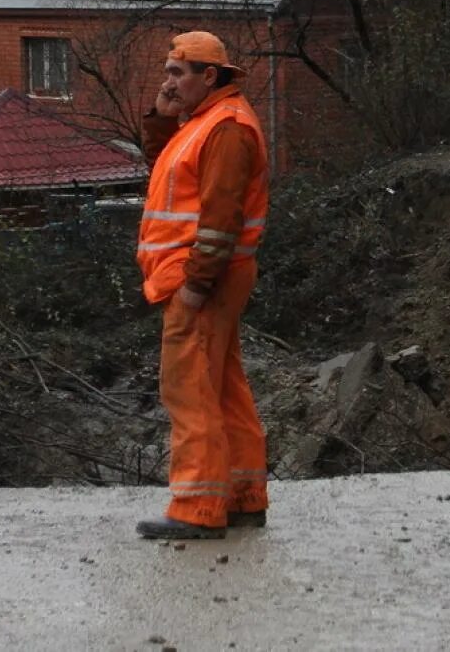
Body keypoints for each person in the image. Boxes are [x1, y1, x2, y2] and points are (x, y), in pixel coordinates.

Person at [133, 31, 272, 540]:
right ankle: (241, 496)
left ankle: (197, 507)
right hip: (205, 274)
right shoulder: (206, 123)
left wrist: (195, 284)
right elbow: (164, 169)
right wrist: (163, 111)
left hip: (201, 277)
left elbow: (219, 220)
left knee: (188, 388)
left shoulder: (227, 129)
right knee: (221, 385)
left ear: (208, 76)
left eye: (177, 72)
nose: (168, 80)